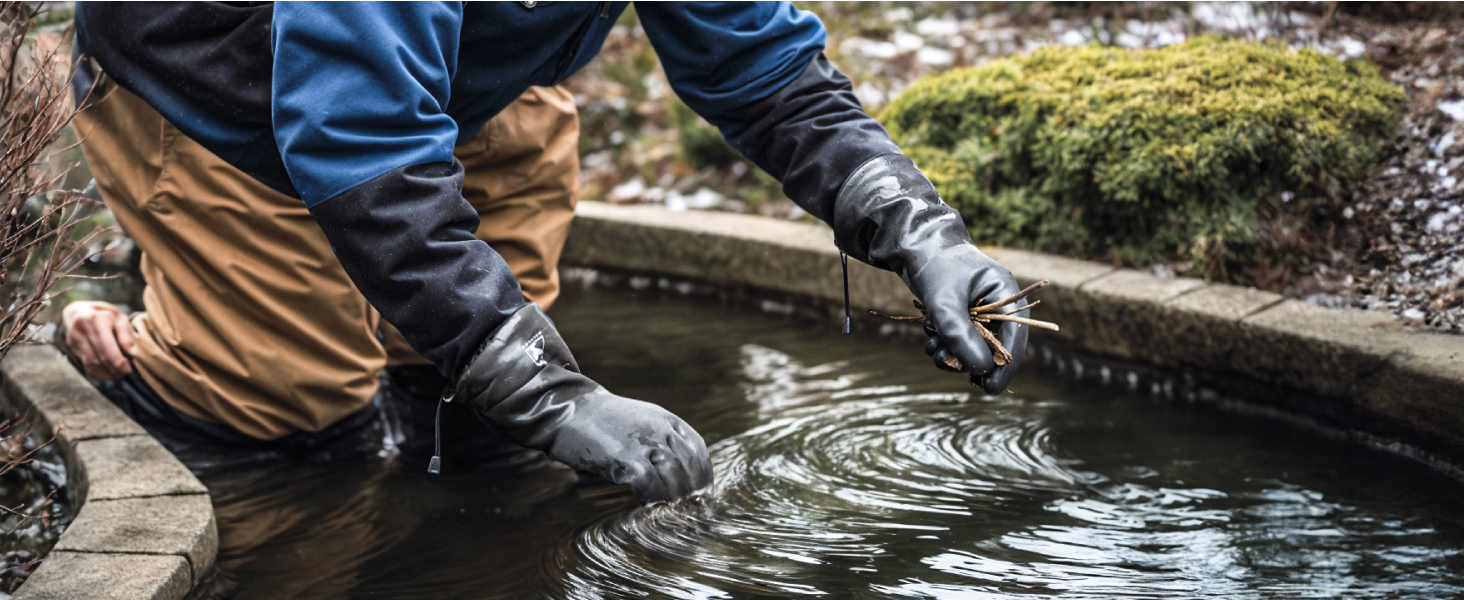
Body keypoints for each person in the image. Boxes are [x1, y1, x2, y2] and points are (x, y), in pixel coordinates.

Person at [61, 1, 1031, 505]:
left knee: (477, 408)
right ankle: (146, 357)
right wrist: (552, 395)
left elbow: (764, 69)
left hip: (466, 65)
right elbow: (360, 137)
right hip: (217, 84)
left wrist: (921, 231)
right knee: (293, 412)